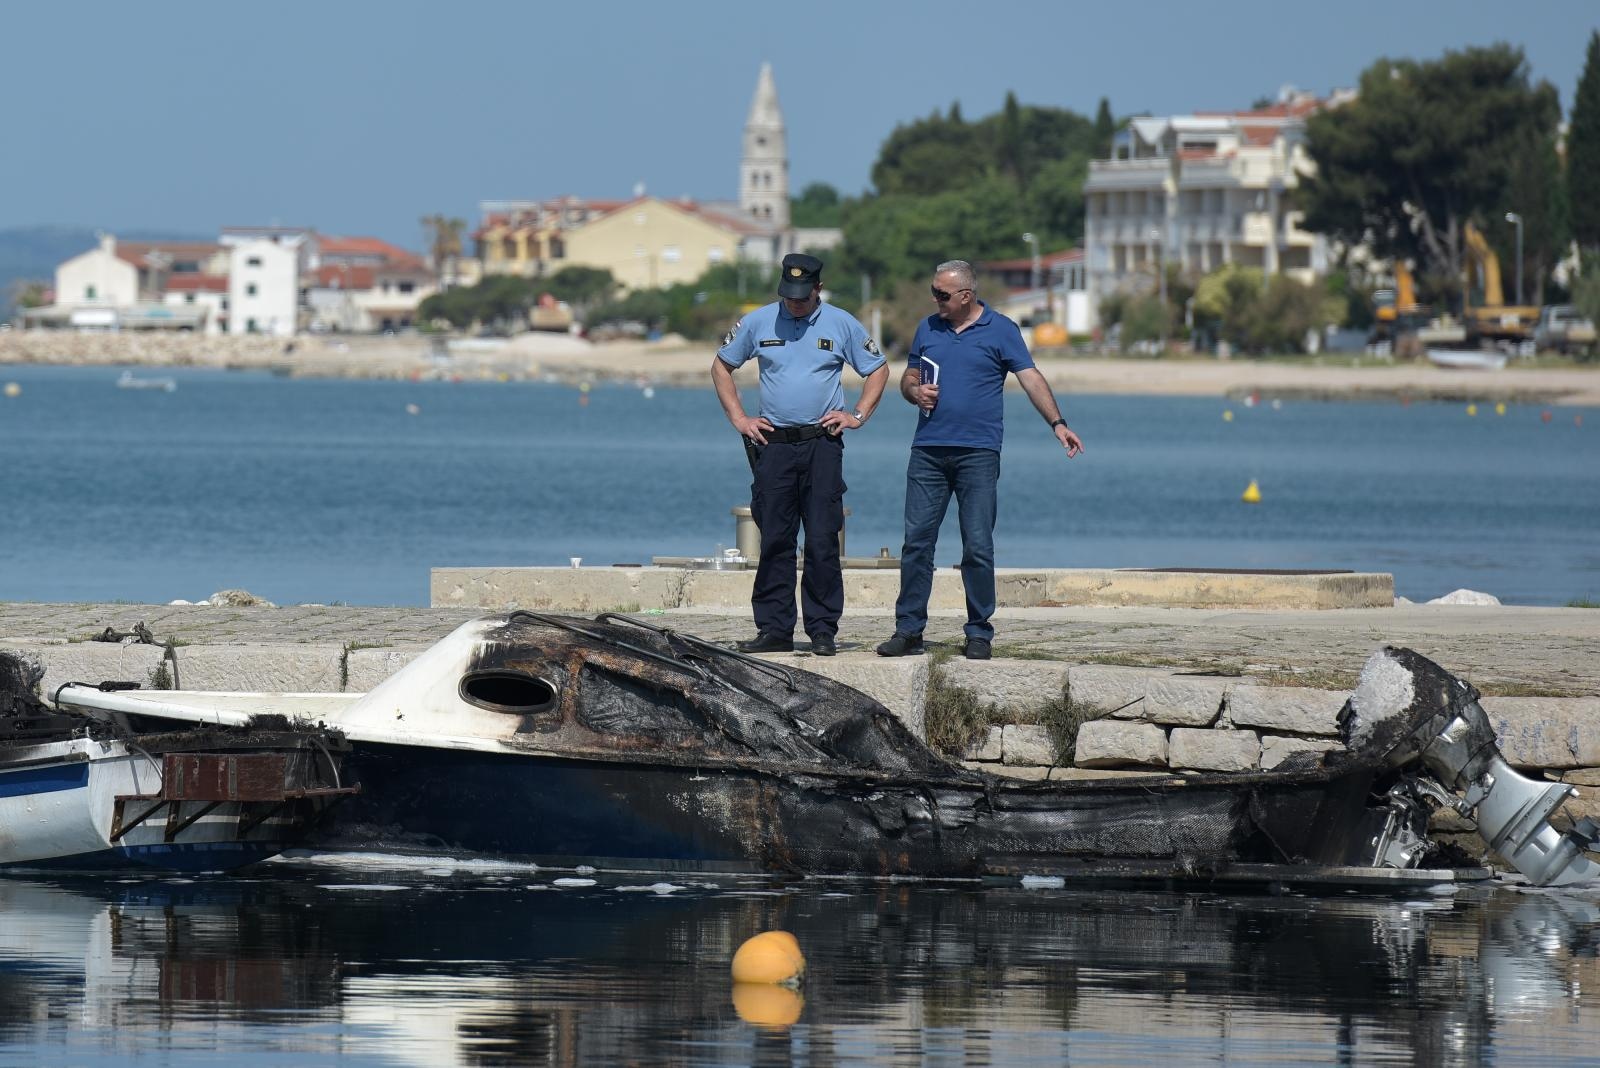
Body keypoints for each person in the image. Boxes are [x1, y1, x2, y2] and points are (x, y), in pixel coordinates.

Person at [877, 259, 1084, 660]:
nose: (935, 299)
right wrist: (913, 392)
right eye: (933, 291)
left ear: (966, 296)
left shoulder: (1002, 330)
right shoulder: (928, 328)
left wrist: (1057, 423)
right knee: (917, 544)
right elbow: (908, 376)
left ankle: (978, 632)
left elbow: (1031, 378)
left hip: (978, 453)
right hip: (928, 453)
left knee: (977, 545)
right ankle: (909, 630)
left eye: (942, 294)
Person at [713, 253, 889, 656]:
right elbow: (722, 367)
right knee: (775, 538)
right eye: (788, 295)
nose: (794, 302)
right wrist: (740, 418)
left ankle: (823, 629)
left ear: (818, 289)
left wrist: (857, 414)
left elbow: (878, 369)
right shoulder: (757, 322)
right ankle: (774, 629)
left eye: (802, 295)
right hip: (772, 445)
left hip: (822, 445)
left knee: (823, 538)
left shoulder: (842, 323)